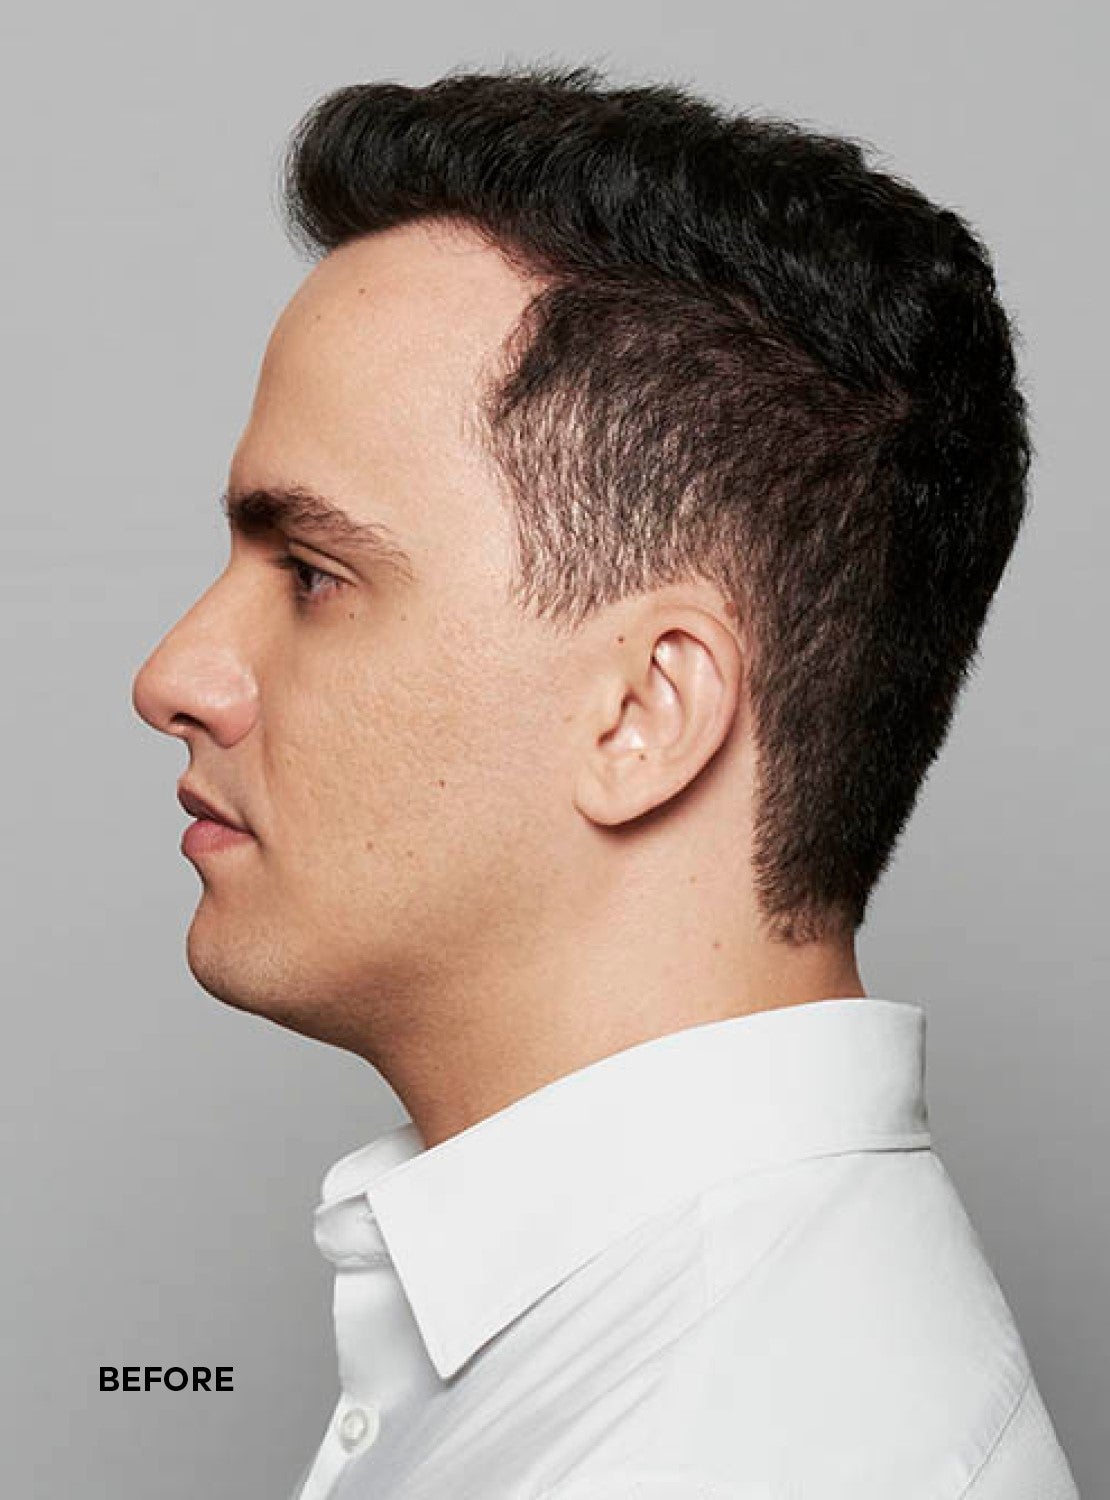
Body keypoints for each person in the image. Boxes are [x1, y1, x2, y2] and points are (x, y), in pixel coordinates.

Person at [131, 61, 1080, 1500]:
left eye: (312, 573)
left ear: (644, 710)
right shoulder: (640, 1352)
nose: (175, 675)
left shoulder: (743, 1456)